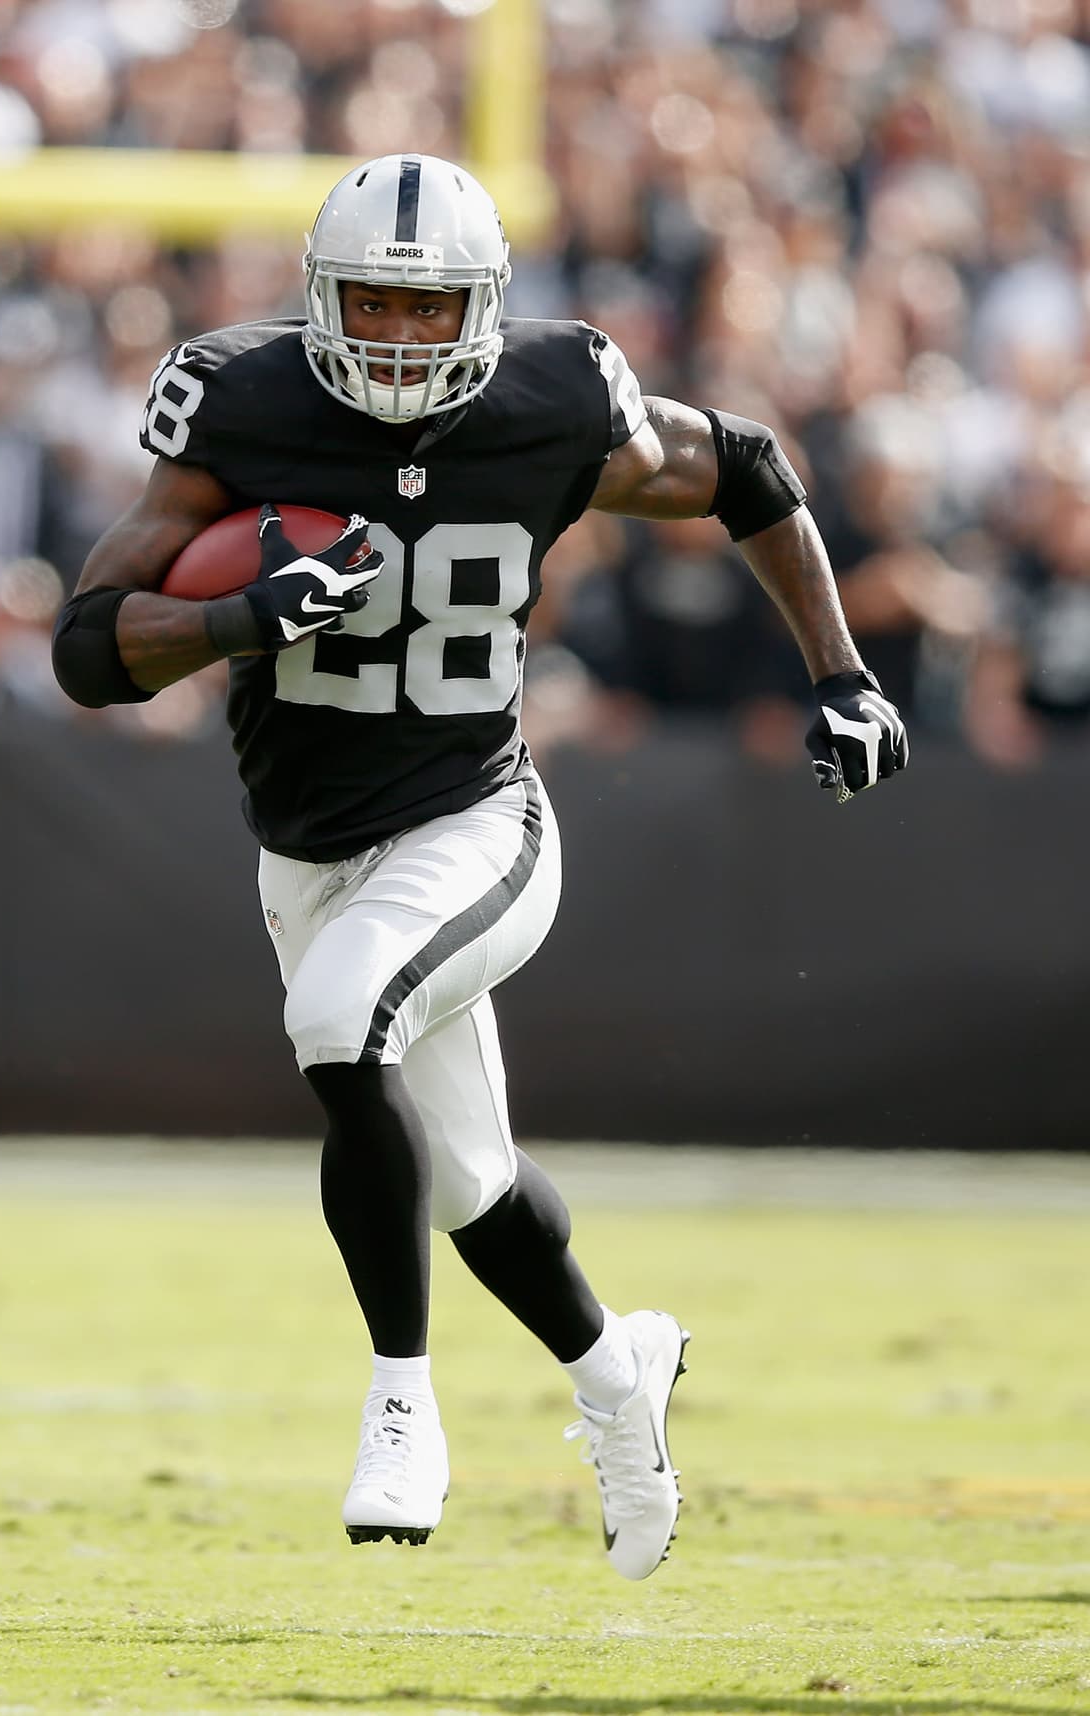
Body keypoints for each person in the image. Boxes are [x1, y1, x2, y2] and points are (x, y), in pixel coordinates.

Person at [51, 154, 908, 1579]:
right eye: (371, 306)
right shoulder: (246, 399)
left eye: (426, 309)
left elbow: (746, 467)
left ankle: (400, 1401)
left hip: (475, 821)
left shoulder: (552, 397)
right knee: (470, 1182)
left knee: (339, 1021)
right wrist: (239, 622)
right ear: (323, 300)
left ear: (485, 311)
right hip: (306, 843)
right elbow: (89, 647)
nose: (394, 339)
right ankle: (617, 1370)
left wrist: (845, 673)